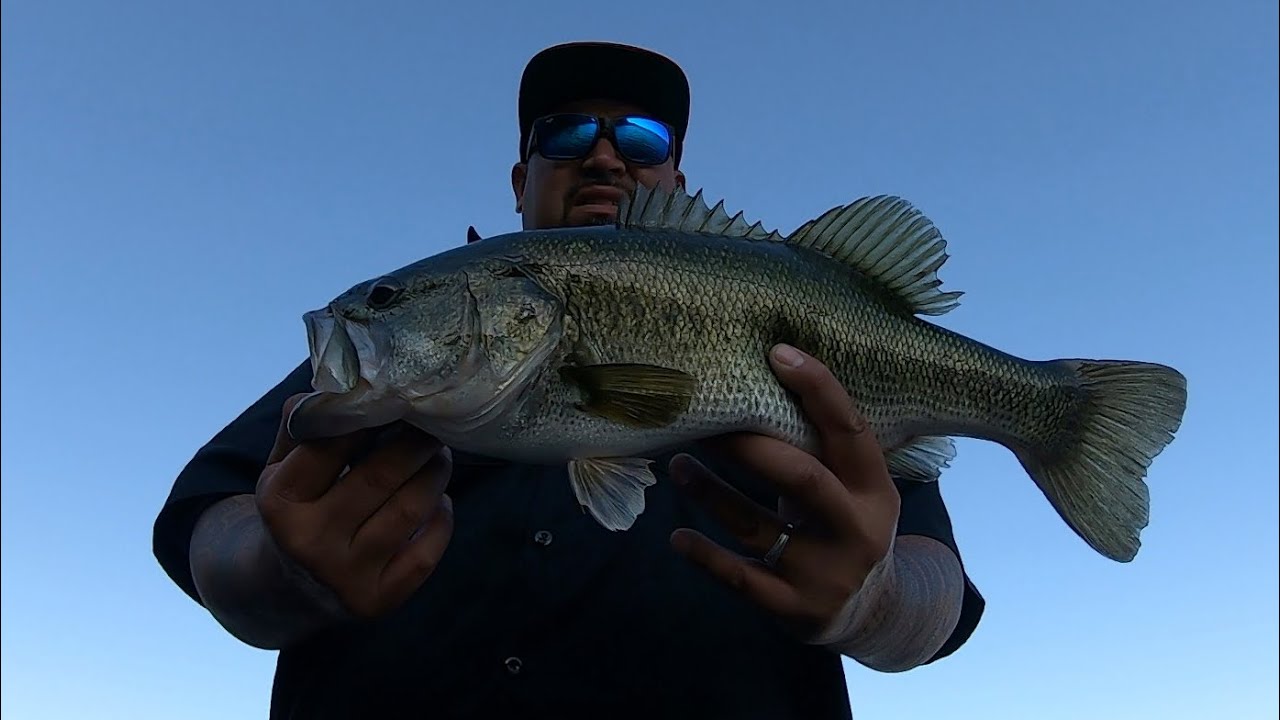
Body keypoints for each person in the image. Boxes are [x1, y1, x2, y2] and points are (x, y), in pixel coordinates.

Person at [152, 41, 985, 719]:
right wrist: (274, 567)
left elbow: (935, 585)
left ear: (677, 183)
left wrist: (868, 605)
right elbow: (204, 520)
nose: (602, 157)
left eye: (643, 141)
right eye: (561, 135)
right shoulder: (375, 377)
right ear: (520, 184)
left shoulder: (801, 324)